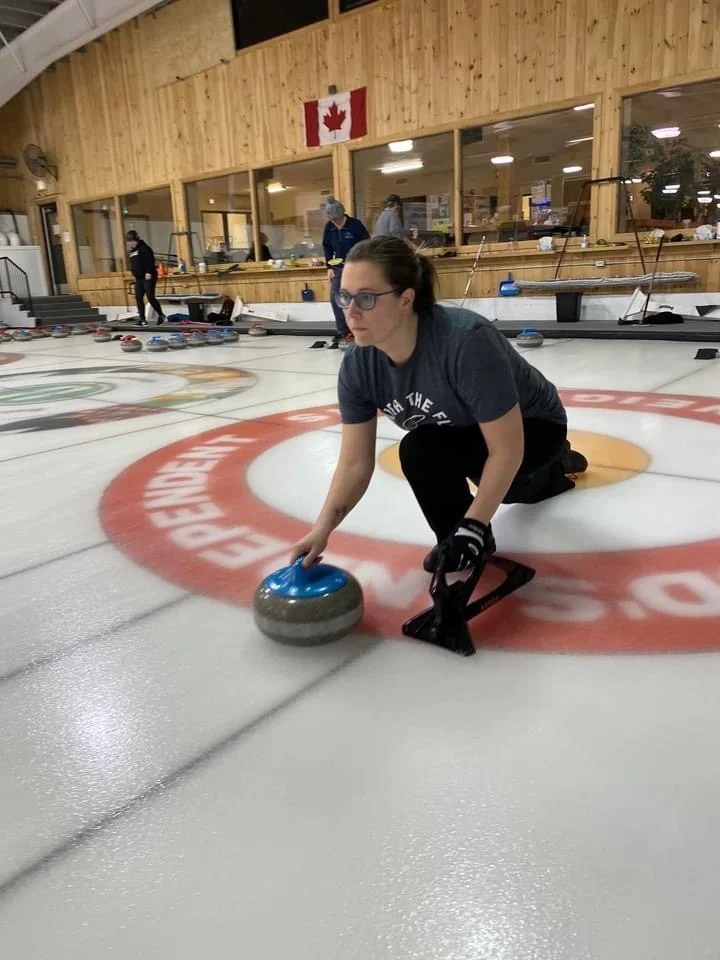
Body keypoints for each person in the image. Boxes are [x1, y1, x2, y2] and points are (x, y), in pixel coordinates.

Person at [290, 236, 587, 575]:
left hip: (534, 425)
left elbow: (507, 449)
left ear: (406, 299)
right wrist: (322, 529)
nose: (351, 312)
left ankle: (553, 464)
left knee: (513, 488)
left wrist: (473, 526)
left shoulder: (466, 341)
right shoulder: (358, 366)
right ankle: (454, 541)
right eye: (344, 296)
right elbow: (355, 463)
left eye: (366, 298)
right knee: (419, 449)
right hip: (463, 430)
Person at [321, 198, 369, 344]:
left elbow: (367, 244)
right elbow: (327, 247)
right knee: (335, 298)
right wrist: (329, 267)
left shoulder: (355, 225)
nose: (334, 222)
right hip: (338, 267)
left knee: (357, 297)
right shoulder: (329, 227)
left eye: (336, 219)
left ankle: (362, 328)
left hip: (357, 266)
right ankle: (343, 332)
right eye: (331, 219)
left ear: (342, 214)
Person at [126, 230, 166, 324]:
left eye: (132, 241)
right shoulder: (132, 251)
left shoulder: (144, 248)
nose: (131, 244)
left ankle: (161, 315)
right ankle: (142, 319)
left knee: (150, 297)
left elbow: (150, 260)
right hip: (139, 278)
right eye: (129, 242)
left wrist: (148, 272)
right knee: (138, 298)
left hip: (148, 276)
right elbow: (134, 264)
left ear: (136, 240)